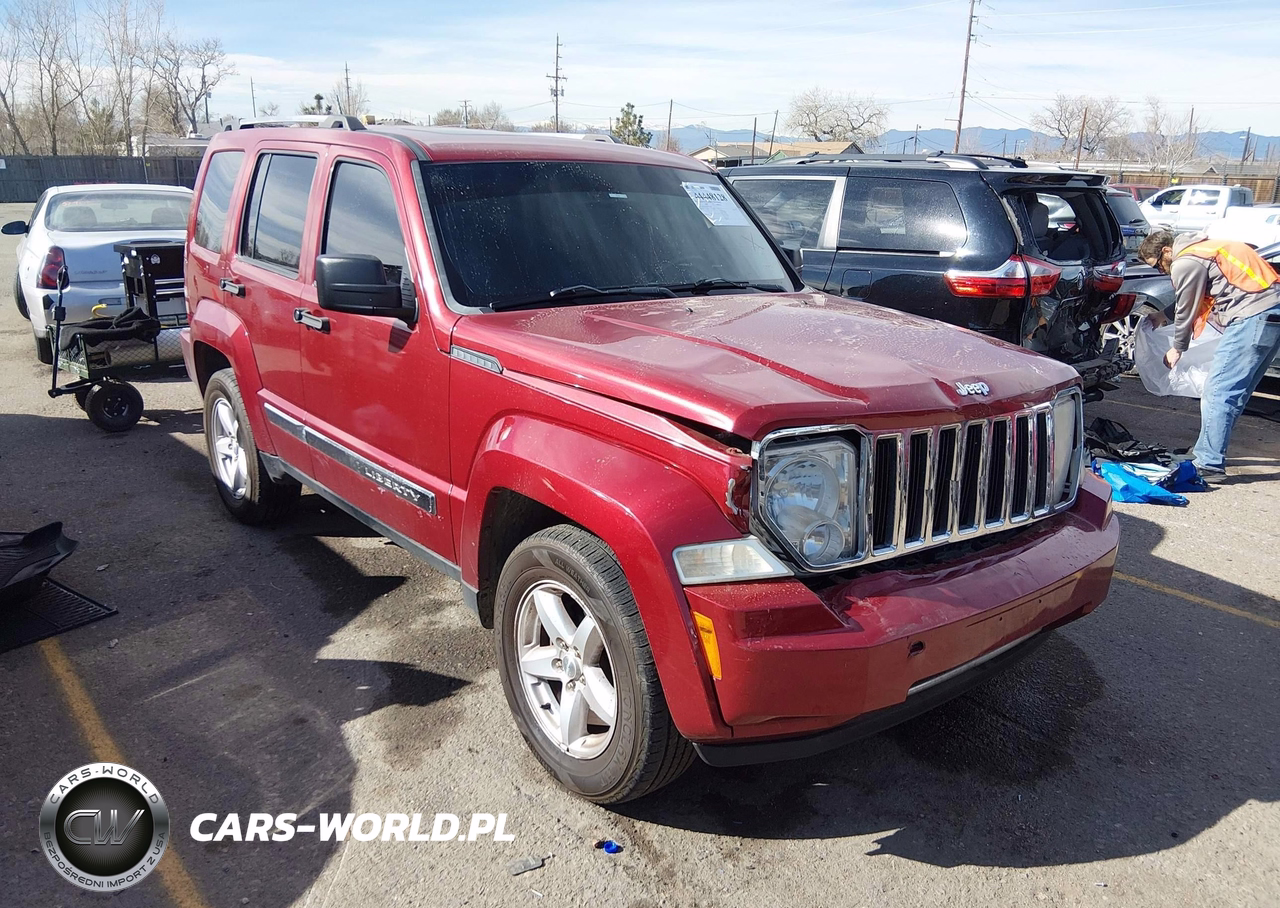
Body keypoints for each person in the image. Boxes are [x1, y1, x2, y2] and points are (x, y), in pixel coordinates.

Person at [1138, 229, 1280, 482]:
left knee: (1218, 391)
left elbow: (1186, 307)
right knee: (1233, 393)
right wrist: (1162, 315)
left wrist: (1177, 347)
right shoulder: (1207, 248)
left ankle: (1209, 462)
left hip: (1250, 318)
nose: (1163, 271)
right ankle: (1204, 452)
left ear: (1167, 251)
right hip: (1270, 316)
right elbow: (1194, 297)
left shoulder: (1185, 260)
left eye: (1159, 265)